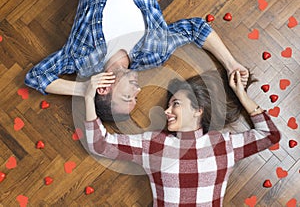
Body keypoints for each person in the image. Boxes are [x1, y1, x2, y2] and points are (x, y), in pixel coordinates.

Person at [25, 0, 249, 121]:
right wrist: (231, 64)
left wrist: (84, 90)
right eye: (136, 98)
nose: (138, 91)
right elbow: (195, 29)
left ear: (104, 89)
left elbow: (36, 77)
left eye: (127, 96)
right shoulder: (155, 54)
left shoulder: (81, 56)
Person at [84, 70, 281, 206]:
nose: (167, 111)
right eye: (169, 105)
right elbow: (100, 144)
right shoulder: (153, 144)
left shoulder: (223, 144)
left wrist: (241, 94)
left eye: (175, 104)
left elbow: (270, 135)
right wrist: (88, 96)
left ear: (198, 110)